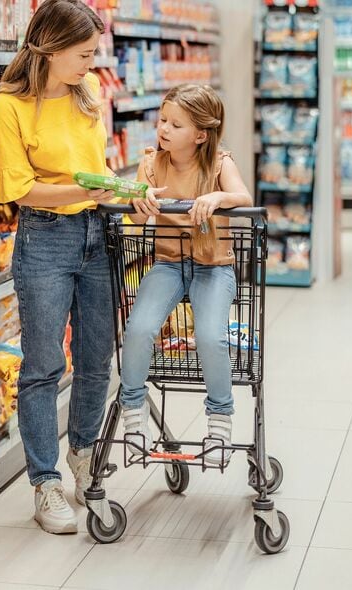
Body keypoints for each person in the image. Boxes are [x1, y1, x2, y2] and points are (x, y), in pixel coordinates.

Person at [0, 0, 115, 535]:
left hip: (97, 234)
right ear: (51, 47)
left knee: (95, 358)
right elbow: (19, 189)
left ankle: (84, 456)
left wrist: (121, 191)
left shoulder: (89, 95)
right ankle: (45, 482)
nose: (91, 61)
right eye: (83, 53)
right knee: (42, 364)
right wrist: (87, 188)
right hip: (45, 236)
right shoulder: (7, 106)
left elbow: (99, 168)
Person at [122, 84, 253, 466]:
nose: (163, 129)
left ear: (200, 135)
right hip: (167, 262)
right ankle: (134, 416)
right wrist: (139, 203)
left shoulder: (218, 164)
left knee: (211, 336)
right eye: (162, 120)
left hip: (213, 265)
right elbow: (134, 217)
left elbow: (243, 198)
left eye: (175, 125)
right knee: (139, 328)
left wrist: (216, 197)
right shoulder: (149, 164)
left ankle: (219, 420)